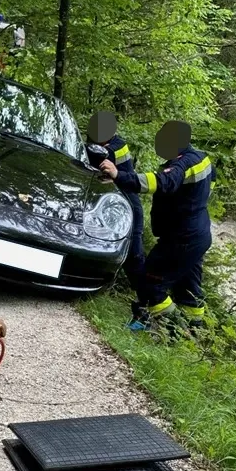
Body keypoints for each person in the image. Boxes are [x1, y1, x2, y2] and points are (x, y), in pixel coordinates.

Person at [99, 120, 214, 332]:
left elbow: (161, 182)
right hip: (199, 235)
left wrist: (118, 175)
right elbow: (209, 185)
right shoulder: (202, 159)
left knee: (149, 281)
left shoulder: (182, 164)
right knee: (188, 287)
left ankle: (171, 330)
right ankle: (195, 331)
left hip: (181, 238)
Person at [86, 111, 146, 323]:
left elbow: (92, 160)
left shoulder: (115, 147)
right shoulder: (101, 144)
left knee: (134, 258)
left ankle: (146, 304)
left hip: (127, 206)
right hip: (111, 206)